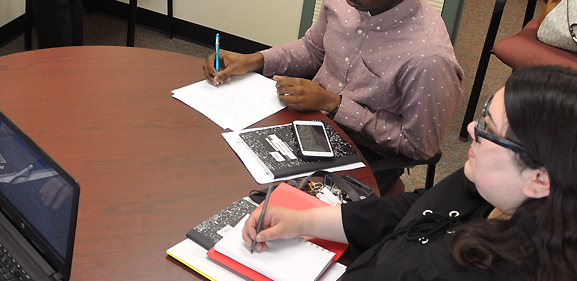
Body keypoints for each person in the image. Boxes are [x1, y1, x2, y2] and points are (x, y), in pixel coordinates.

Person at [204, 0, 463, 188]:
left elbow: (420, 147)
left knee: (263, 204)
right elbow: (313, 49)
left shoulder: (429, 58)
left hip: (364, 154)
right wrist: (253, 60)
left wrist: (333, 104)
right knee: (219, 160)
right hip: (308, 120)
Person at [243, 65, 577, 281]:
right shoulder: (490, 188)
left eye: (489, 131)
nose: (472, 129)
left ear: (539, 179)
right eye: (483, 117)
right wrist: (305, 220)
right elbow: (415, 208)